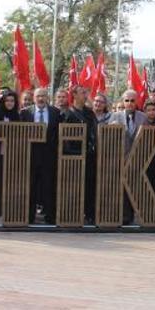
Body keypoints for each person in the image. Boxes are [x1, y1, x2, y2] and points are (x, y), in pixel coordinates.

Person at [20, 88, 61, 225]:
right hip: (30, 156)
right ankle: (29, 217)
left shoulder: (55, 112)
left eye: (43, 96)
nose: (41, 99)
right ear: (34, 98)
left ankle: (50, 217)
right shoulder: (25, 113)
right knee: (30, 186)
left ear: (47, 97)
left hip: (49, 157)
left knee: (48, 187)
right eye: (38, 96)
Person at [110, 89, 148, 224]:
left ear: (136, 101)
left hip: (137, 159)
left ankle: (133, 216)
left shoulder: (143, 117)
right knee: (121, 188)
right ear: (123, 102)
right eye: (127, 100)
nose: (130, 103)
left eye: (132, 100)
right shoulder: (115, 116)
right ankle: (123, 217)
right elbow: (109, 139)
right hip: (120, 159)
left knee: (135, 187)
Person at [64, 86, 98, 225]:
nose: (86, 95)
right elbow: (64, 137)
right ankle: (73, 214)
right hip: (73, 156)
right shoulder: (68, 114)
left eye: (86, 92)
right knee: (74, 186)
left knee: (90, 185)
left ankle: (89, 214)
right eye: (83, 92)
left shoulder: (90, 113)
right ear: (74, 95)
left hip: (89, 155)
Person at [0, 90, 20, 223]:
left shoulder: (18, 116)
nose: (9, 103)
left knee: (11, 185)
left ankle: (10, 213)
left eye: (12, 101)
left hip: (14, 156)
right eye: (7, 101)